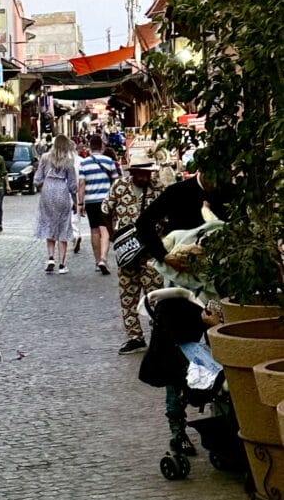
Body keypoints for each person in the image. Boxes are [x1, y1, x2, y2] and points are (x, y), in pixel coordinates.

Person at [134, 165, 233, 454]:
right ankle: (177, 427)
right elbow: (144, 224)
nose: (220, 181)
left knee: (219, 351)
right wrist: (164, 255)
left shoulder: (230, 193)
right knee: (177, 350)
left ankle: (222, 425)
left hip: (217, 287)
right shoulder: (178, 193)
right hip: (179, 286)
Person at [101, 154, 165, 354]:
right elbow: (105, 210)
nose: (145, 177)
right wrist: (113, 236)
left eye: (147, 173)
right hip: (127, 251)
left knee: (155, 294)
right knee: (128, 295)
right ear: (133, 172)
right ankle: (135, 337)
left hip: (151, 251)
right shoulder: (119, 187)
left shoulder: (158, 188)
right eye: (141, 173)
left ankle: (158, 335)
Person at [34, 134, 78, 273]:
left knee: (49, 224)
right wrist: (76, 202)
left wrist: (43, 185)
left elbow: (37, 179)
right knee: (63, 226)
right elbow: (72, 184)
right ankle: (62, 264)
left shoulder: (45, 157)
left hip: (47, 191)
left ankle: (51, 257)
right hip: (62, 191)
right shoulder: (69, 161)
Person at [78, 134, 120, 274]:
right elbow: (116, 182)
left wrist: (80, 203)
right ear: (101, 146)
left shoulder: (84, 163)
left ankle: (97, 262)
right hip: (106, 200)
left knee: (94, 230)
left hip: (90, 201)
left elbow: (82, 184)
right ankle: (103, 258)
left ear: (90, 147)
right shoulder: (109, 161)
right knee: (105, 230)